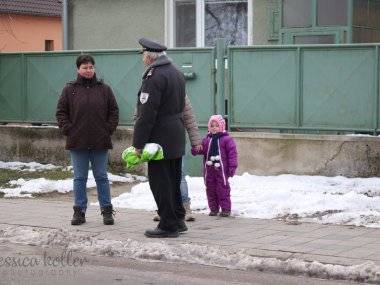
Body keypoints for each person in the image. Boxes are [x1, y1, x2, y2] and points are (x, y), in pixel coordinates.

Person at [56, 54, 119, 226]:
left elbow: (114, 112)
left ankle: (107, 211)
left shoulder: (104, 89)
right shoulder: (70, 89)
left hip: (100, 141)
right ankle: (79, 212)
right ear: (78, 69)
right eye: (85, 67)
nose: (88, 70)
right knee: (80, 178)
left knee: (101, 177)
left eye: (91, 67)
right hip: (78, 142)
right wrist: (69, 129)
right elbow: (61, 112)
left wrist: (108, 129)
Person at [133, 38, 187, 238]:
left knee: (160, 181)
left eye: (143, 55)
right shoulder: (176, 72)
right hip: (175, 134)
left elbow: (146, 114)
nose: (143, 59)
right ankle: (178, 219)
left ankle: (168, 224)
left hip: (160, 138)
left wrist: (138, 144)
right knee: (173, 179)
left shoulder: (154, 77)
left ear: (149, 56)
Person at [153, 95, 202, 222]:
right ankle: (163, 209)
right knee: (161, 177)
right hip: (156, 142)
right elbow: (141, 115)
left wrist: (196, 141)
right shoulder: (151, 88)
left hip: (176, 140)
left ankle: (185, 207)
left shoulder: (179, 92)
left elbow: (189, 118)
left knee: (179, 175)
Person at [191, 115, 238, 217]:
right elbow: (201, 149)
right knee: (210, 189)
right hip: (209, 170)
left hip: (221, 170)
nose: (214, 128)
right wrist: (196, 149)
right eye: (212, 126)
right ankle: (214, 209)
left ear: (221, 126)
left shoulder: (227, 139)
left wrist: (232, 167)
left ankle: (225, 209)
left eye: (217, 126)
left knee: (222, 189)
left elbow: (232, 154)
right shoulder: (207, 139)